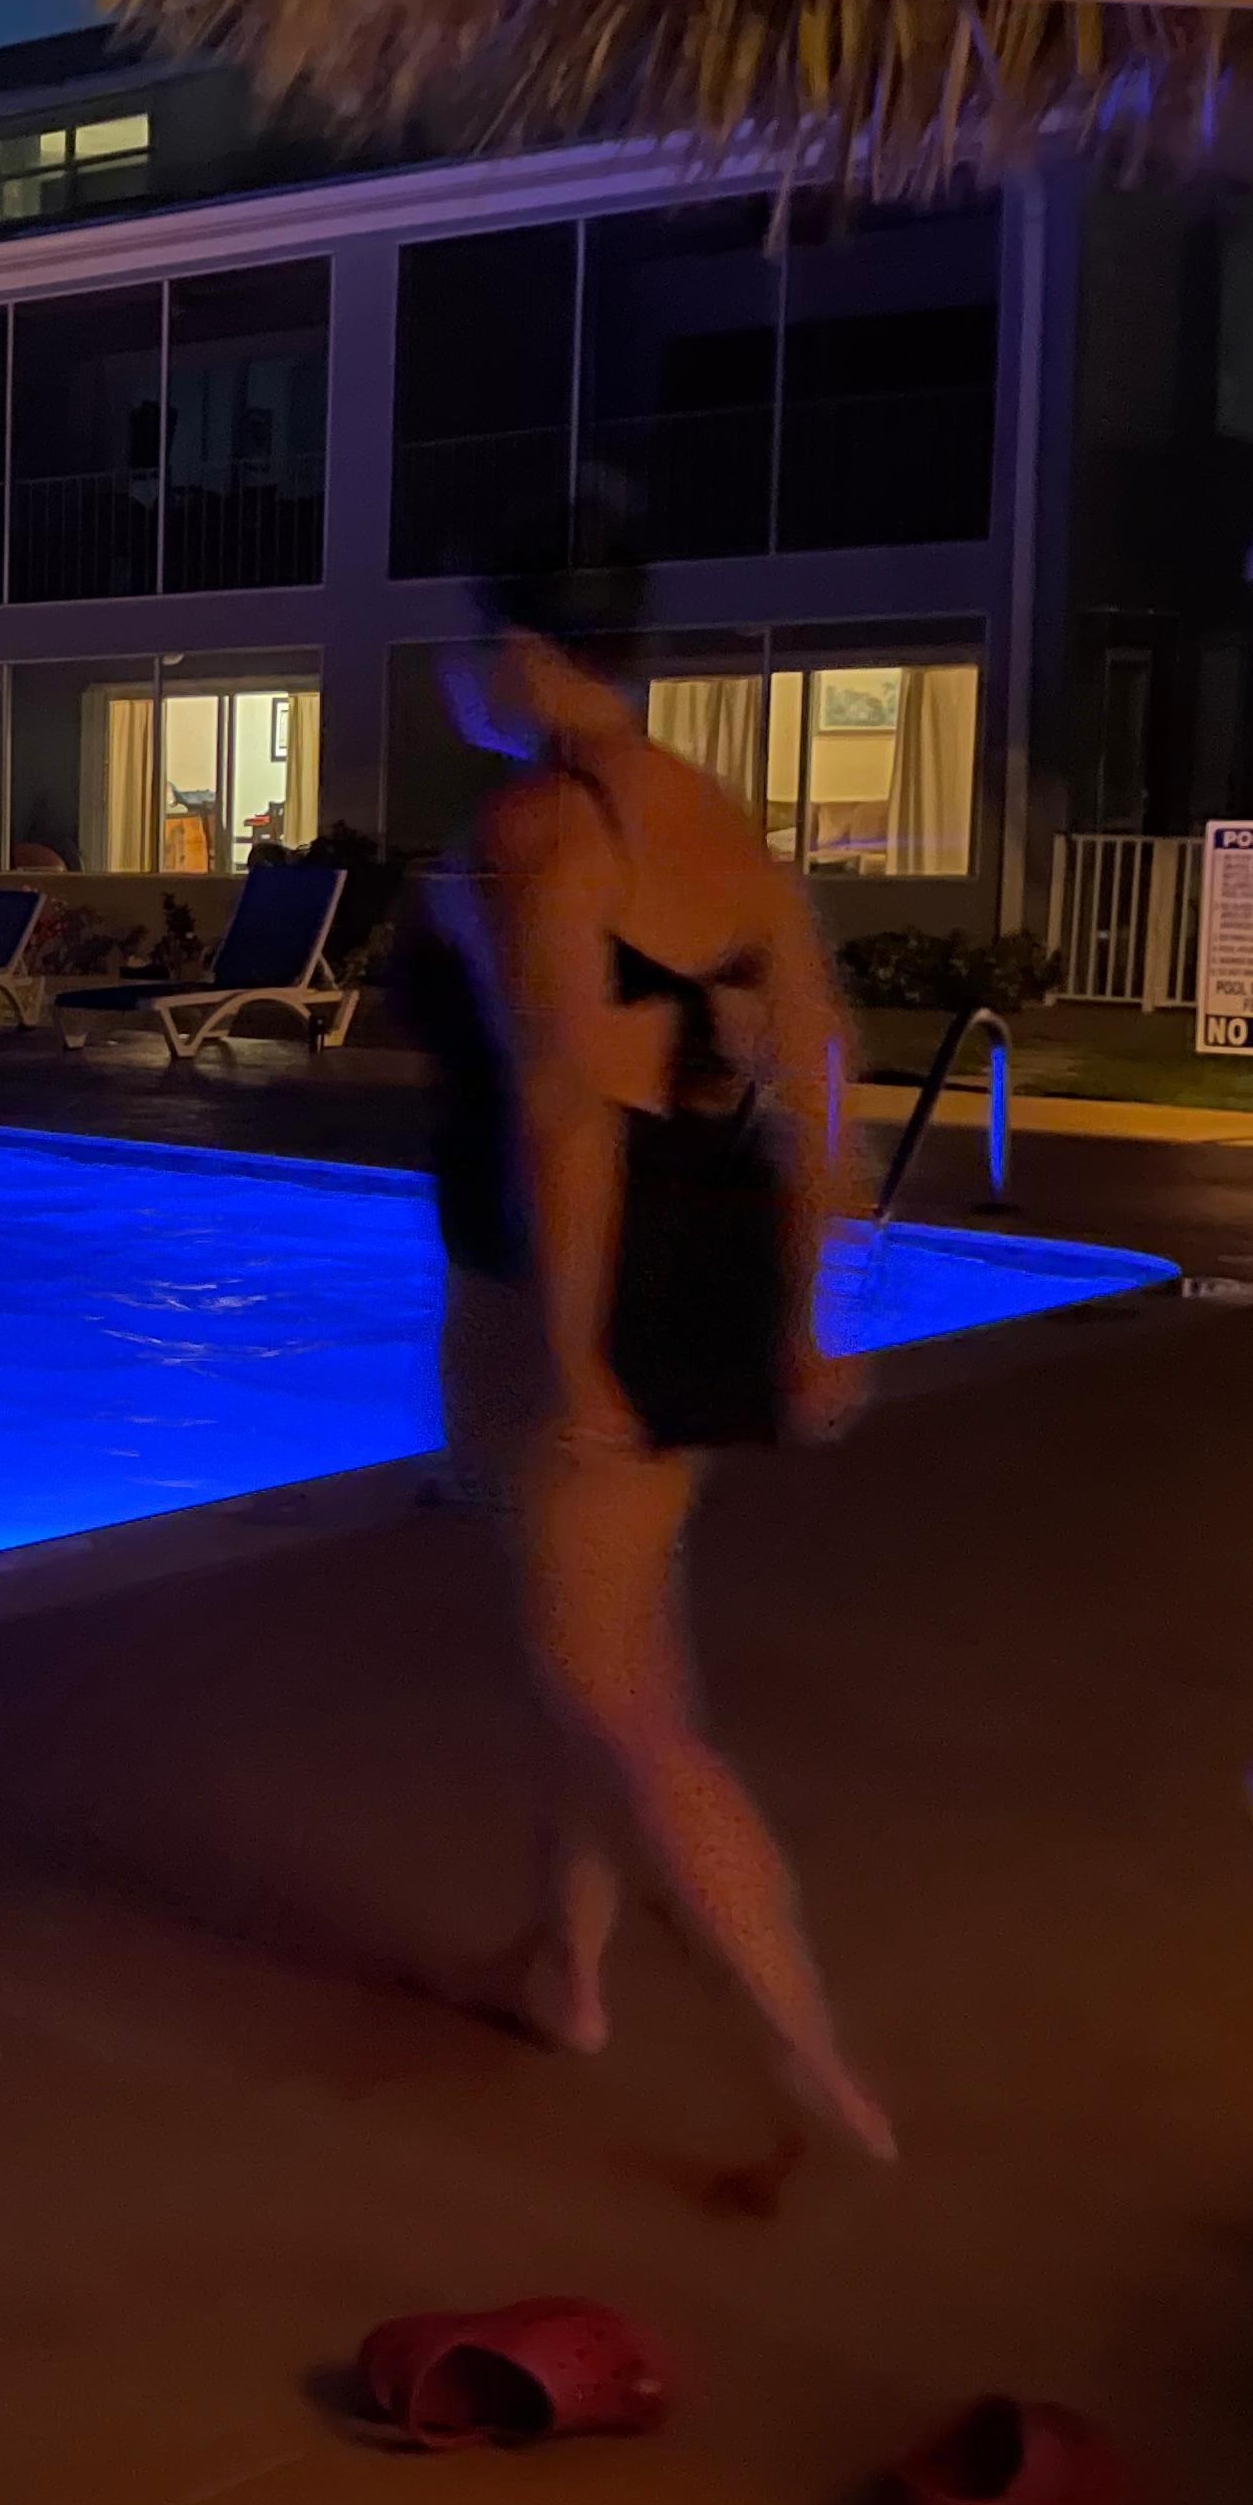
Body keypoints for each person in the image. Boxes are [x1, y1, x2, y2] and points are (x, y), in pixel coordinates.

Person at [409, 530, 893, 2162]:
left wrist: (577, 1357)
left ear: (530, 650)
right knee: (602, 1638)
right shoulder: (704, 809)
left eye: (469, 641)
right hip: (706, 1263)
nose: (458, 674)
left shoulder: (537, 825)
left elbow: (560, 1100)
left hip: (569, 1284)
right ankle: (569, 1965)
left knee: (621, 1697)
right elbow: (816, 1056)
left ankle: (801, 2053)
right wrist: (812, 1310)